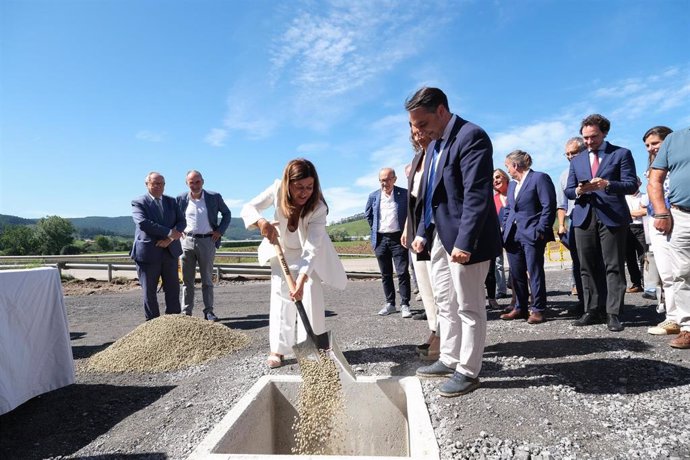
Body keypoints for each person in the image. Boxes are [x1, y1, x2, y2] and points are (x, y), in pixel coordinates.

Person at [407, 87, 501, 397]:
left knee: (469, 306)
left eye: (422, 124)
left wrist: (465, 242)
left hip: (465, 240)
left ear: (442, 112)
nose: (418, 132)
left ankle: (469, 370)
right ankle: (448, 358)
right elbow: (432, 196)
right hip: (439, 237)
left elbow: (476, 194)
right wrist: (422, 232)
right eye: (414, 126)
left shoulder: (471, 136)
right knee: (445, 301)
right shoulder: (434, 146)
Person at [241, 158, 348, 367]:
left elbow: (312, 247)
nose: (304, 192)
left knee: (310, 294)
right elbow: (249, 207)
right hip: (280, 249)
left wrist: (302, 277)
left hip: (308, 254)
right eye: (299, 187)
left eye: (309, 187)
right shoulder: (277, 189)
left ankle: (312, 348)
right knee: (281, 298)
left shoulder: (318, 207)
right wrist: (261, 222)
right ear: (288, 183)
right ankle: (278, 350)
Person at [565, 114, 637, 332]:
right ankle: (591, 309)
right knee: (586, 265)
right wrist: (579, 189)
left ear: (604, 133)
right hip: (584, 216)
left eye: (593, 137)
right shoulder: (577, 160)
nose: (588, 142)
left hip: (612, 216)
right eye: (585, 138)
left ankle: (613, 312)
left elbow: (631, 184)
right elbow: (568, 190)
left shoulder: (621, 154)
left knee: (613, 265)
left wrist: (607, 184)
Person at [499, 150, 557, 324]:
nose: (507, 170)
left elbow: (549, 206)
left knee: (534, 272)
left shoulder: (539, 178)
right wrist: (505, 226)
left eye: (507, 166)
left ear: (515, 165)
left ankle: (538, 309)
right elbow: (509, 208)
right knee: (516, 273)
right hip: (512, 235)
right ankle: (520, 307)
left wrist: (540, 230)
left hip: (532, 233)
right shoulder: (512, 185)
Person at [648, 126, 690, 349]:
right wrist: (662, 212)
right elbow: (655, 179)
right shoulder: (675, 140)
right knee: (683, 272)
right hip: (682, 215)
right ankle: (687, 327)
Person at [401, 125, 439, 360]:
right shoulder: (416, 160)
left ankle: (445, 335)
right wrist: (407, 227)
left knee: (440, 284)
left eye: (421, 130)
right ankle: (434, 330)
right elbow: (412, 200)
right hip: (417, 225)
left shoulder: (439, 154)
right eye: (414, 133)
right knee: (424, 284)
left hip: (435, 225)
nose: (418, 135)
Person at [177, 170, 232, 321]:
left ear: (203, 181)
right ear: (186, 183)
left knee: (207, 280)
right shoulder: (181, 199)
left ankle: (209, 311)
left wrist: (220, 231)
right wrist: (177, 230)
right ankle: (186, 313)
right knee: (187, 281)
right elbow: (175, 217)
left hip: (208, 241)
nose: (194, 185)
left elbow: (227, 214)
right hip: (186, 242)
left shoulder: (214, 197)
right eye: (191, 182)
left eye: (197, 182)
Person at [130, 172, 186, 321]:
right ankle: (153, 327)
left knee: (173, 290)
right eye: (154, 183)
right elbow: (143, 223)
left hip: (170, 252)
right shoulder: (138, 202)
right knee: (149, 292)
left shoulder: (171, 202)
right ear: (147, 184)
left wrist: (169, 238)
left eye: (161, 183)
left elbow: (182, 222)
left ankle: (173, 323)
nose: (158, 186)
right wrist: (169, 232)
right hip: (148, 253)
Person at [641, 126, 678, 335]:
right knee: (666, 273)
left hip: (677, 218)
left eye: (655, 143)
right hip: (657, 223)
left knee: (682, 271)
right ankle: (673, 317)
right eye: (647, 145)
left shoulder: (679, 165)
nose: (650, 148)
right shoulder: (652, 169)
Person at [365, 168, 412, 317]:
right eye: (382, 180)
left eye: (388, 179)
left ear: (395, 179)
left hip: (399, 239)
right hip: (380, 240)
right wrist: (375, 230)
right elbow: (369, 215)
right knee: (385, 274)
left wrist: (406, 231)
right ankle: (390, 304)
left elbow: (411, 214)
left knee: (402, 272)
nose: (385, 183)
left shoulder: (404, 194)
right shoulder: (373, 196)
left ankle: (405, 304)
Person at [556, 137, 585, 312]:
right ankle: (583, 300)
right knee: (578, 262)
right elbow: (562, 204)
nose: (569, 156)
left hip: (595, 219)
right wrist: (561, 225)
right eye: (567, 154)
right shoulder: (564, 175)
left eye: (573, 153)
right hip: (575, 221)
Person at [624, 177, 647, 293]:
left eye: (636, 182)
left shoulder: (645, 196)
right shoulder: (623, 198)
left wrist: (629, 214)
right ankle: (636, 283)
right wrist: (636, 213)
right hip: (627, 229)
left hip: (642, 228)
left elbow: (645, 211)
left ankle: (647, 283)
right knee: (630, 258)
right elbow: (623, 213)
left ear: (639, 183)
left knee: (643, 256)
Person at [492, 168, 510, 302]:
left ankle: (514, 283)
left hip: (514, 233)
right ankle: (501, 290)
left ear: (505, 177)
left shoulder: (515, 193)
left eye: (498, 177)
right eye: (493, 180)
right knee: (498, 263)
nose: (495, 181)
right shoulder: (493, 199)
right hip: (497, 234)